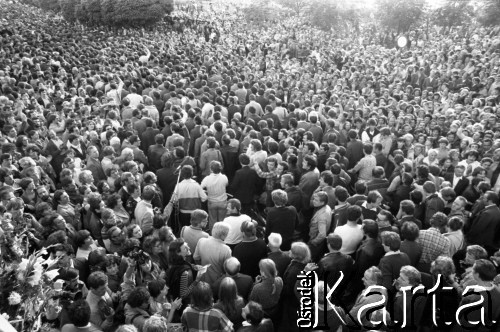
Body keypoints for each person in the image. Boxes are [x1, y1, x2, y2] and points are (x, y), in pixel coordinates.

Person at [200, 161, 228, 230]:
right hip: (223, 201)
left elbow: (200, 188)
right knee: (222, 221)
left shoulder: (207, 179)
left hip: (212, 202)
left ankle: (212, 235)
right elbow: (226, 185)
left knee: (212, 220)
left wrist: (205, 192)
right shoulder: (224, 177)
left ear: (211, 169)